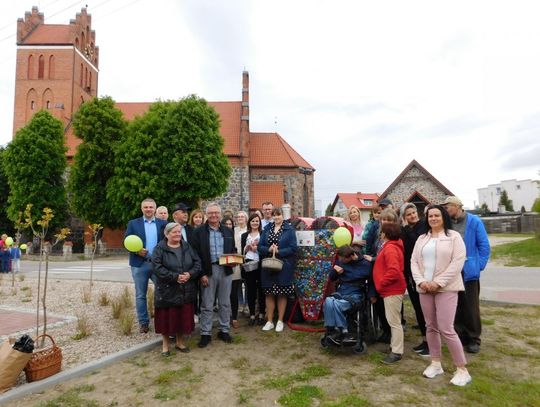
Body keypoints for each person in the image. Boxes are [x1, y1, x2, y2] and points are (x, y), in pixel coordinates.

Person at [411, 204, 471, 386]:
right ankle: (435, 363)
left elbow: (457, 262)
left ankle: (462, 369)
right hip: (425, 288)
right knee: (430, 327)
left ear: (443, 216)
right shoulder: (422, 238)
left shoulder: (454, 237)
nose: (433, 218)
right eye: (430, 216)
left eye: (437, 215)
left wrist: (438, 282)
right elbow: (413, 261)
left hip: (446, 288)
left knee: (446, 328)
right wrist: (420, 281)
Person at [442, 196, 490, 354]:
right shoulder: (447, 224)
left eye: (448, 207)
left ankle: (474, 337)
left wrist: (478, 266)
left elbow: (484, 245)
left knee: (471, 306)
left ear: (456, 206)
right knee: (455, 304)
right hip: (451, 271)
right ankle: (460, 334)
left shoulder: (474, 221)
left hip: (469, 271)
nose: (446, 210)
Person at [191, 203, 236, 348]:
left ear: (220, 214)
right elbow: (195, 255)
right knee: (207, 304)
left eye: (216, 213)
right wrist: (201, 274)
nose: (214, 215)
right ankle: (206, 333)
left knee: (224, 302)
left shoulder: (228, 231)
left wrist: (234, 260)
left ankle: (224, 330)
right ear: (206, 214)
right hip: (208, 271)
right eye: (211, 213)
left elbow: (233, 248)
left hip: (225, 270)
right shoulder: (198, 232)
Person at [152, 222, 201, 356]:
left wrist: (190, 274)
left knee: (181, 318)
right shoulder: (159, 248)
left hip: (185, 289)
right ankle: (165, 346)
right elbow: (157, 267)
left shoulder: (186, 246)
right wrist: (175, 277)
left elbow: (197, 262)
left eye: (179, 232)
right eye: (174, 232)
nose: (177, 234)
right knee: (166, 320)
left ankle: (180, 343)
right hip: (167, 290)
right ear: (167, 234)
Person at [125, 198, 167, 333]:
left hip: (158, 264)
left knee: (162, 293)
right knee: (140, 295)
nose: (148, 209)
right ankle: (143, 323)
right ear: (141, 209)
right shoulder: (133, 223)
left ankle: (161, 320)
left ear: (155, 209)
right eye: (146, 207)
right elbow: (126, 241)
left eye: (151, 207)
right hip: (139, 264)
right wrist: (137, 250)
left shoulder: (163, 224)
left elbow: (168, 242)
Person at [323, 245, 373, 345]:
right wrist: (335, 271)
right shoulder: (341, 262)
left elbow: (372, 281)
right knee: (328, 301)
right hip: (341, 292)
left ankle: (342, 331)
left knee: (336, 304)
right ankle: (332, 330)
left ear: (350, 256)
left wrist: (372, 295)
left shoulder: (365, 264)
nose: (340, 260)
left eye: (342, 259)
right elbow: (332, 278)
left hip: (356, 293)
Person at [258, 207, 298, 333]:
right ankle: (269, 321)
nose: (276, 217)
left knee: (282, 293)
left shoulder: (289, 229)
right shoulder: (266, 229)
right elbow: (260, 246)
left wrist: (279, 251)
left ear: (283, 215)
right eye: (274, 215)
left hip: (283, 266)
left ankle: (280, 321)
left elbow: (293, 248)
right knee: (269, 293)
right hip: (268, 266)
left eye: (278, 215)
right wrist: (268, 249)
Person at [373, 222, 406, 364]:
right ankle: (394, 346)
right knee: (393, 320)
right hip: (390, 290)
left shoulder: (390, 248)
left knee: (394, 322)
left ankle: (397, 352)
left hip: (392, 290)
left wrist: (381, 284)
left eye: (382, 232)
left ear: (385, 234)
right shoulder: (391, 247)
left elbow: (394, 271)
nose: (380, 234)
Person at [400, 202, 429, 356]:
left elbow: (415, 242)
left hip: (421, 273)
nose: (412, 216)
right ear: (404, 217)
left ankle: (430, 342)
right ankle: (425, 340)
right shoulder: (406, 230)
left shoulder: (423, 226)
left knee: (425, 309)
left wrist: (406, 228)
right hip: (410, 274)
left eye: (413, 213)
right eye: (408, 214)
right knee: (417, 307)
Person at [241, 213, 265, 326]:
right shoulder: (245, 235)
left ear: (259, 223)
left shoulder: (263, 233)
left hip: (260, 264)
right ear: (249, 222)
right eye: (253, 221)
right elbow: (242, 252)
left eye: (257, 221)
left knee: (261, 290)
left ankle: (261, 314)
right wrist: (247, 248)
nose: (255, 223)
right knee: (250, 290)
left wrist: (257, 248)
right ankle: (251, 314)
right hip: (249, 264)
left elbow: (265, 250)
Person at [233, 211, 248, 323]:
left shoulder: (249, 229)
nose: (240, 218)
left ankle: (246, 304)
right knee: (237, 282)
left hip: (247, 257)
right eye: (238, 217)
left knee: (247, 282)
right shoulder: (234, 230)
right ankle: (239, 303)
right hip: (236, 257)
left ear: (246, 218)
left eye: (242, 216)